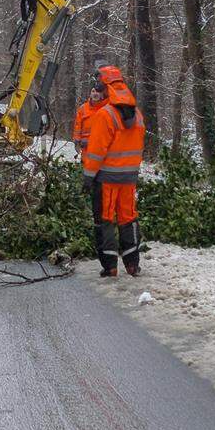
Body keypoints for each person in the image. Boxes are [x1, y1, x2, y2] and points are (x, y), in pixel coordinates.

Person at [81, 65, 145, 277]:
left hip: (107, 178)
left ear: (106, 87)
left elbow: (96, 152)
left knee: (105, 220)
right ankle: (133, 264)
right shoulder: (137, 115)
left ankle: (110, 266)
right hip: (129, 178)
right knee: (128, 217)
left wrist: (88, 178)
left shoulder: (105, 115)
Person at [72, 77, 108, 153]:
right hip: (86, 147)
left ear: (102, 94)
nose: (95, 94)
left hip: (103, 147)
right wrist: (77, 141)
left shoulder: (107, 109)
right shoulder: (83, 108)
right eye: (93, 91)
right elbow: (77, 126)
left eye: (98, 92)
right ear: (90, 94)